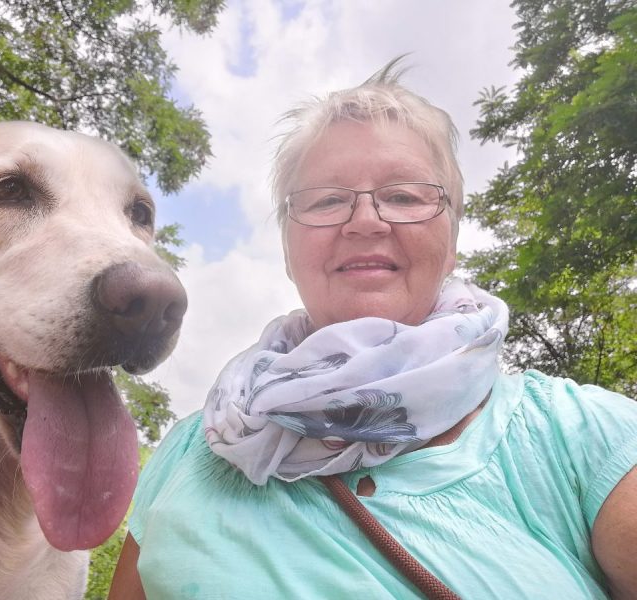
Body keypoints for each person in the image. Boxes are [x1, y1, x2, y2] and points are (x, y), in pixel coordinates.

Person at [109, 60, 637, 599]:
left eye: (405, 196)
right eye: (327, 200)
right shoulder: (189, 452)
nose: (365, 221)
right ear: (289, 251)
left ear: (451, 243)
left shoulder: (582, 438)